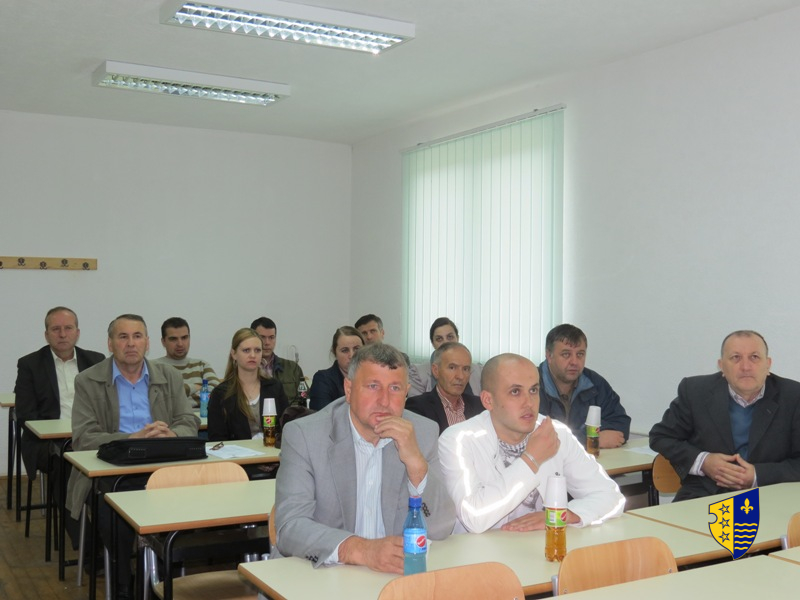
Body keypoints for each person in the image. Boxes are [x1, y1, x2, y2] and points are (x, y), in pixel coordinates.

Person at [274, 343, 455, 573]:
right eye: (373, 386)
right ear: (349, 389)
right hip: (321, 573)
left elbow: (441, 527)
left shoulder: (422, 432)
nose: (384, 400)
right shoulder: (305, 435)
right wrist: (362, 550)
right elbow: (290, 527)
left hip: (390, 576)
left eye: (395, 388)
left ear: (407, 392)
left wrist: (417, 466)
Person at [66, 314, 199, 598]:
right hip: (112, 472)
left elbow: (189, 421)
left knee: (181, 503)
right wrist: (130, 440)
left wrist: (172, 434)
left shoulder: (169, 376)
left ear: (147, 343)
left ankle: (162, 579)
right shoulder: (88, 380)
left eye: (137, 336)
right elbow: (84, 437)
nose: (130, 344)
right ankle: (123, 583)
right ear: (110, 343)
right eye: (123, 337)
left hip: (162, 468)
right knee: (113, 511)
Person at [438, 353, 624, 534]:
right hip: (479, 552)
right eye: (515, 392)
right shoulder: (458, 440)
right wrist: (531, 460)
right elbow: (473, 517)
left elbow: (612, 497)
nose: (529, 403)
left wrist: (560, 515)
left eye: (533, 390)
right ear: (488, 400)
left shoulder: (554, 432)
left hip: (538, 548)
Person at [650, 330, 800, 501]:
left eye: (754, 357)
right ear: (721, 366)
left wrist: (757, 475)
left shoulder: (793, 396)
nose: (745, 367)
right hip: (704, 495)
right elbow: (661, 437)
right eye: (736, 357)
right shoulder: (695, 391)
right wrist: (704, 462)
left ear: (768, 365)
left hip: (770, 496)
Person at [14, 306, 105, 548]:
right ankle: (88, 547)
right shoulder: (30, 364)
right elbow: (25, 415)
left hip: (92, 437)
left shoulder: (96, 361)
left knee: (113, 470)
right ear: (46, 335)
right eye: (56, 329)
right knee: (65, 466)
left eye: (68, 328)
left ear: (77, 332)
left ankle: (112, 539)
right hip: (49, 443)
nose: (62, 334)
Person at [538, 324, 630, 448]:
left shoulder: (594, 383)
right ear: (549, 356)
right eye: (566, 354)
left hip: (588, 459)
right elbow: (532, 436)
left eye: (580, 354)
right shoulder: (531, 386)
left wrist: (584, 437)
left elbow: (621, 425)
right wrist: (591, 439)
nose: (574, 362)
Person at [208, 328, 290, 442]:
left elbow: (287, 427)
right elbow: (216, 439)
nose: (253, 355)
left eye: (257, 350)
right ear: (234, 354)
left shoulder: (274, 387)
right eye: (246, 350)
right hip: (237, 452)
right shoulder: (221, 394)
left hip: (272, 450)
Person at [406, 342, 484, 434]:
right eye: (452, 368)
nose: (460, 376)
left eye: (465, 369)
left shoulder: (480, 406)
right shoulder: (418, 407)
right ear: (436, 371)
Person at [153, 317, 220, 407]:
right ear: (163, 342)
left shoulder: (202, 365)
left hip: (201, 416)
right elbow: (159, 398)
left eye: (184, 338)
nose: (180, 344)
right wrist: (195, 387)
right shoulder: (153, 367)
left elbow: (217, 393)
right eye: (173, 339)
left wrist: (178, 399)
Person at [408, 317, 483, 397]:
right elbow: (416, 403)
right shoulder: (418, 373)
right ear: (433, 343)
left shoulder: (479, 371)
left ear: (457, 338)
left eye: (450, 337)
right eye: (439, 339)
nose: (445, 342)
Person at [250, 317, 306, 406]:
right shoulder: (246, 369)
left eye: (271, 337)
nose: (267, 342)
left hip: (288, 414)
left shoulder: (292, 368)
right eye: (262, 337)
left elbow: (303, 399)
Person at [308, 326, 363, 411]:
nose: (352, 355)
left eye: (356, 349)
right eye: (345, 350)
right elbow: (324, 415)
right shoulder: (323, 380)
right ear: (335, 353)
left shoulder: (373, 378)